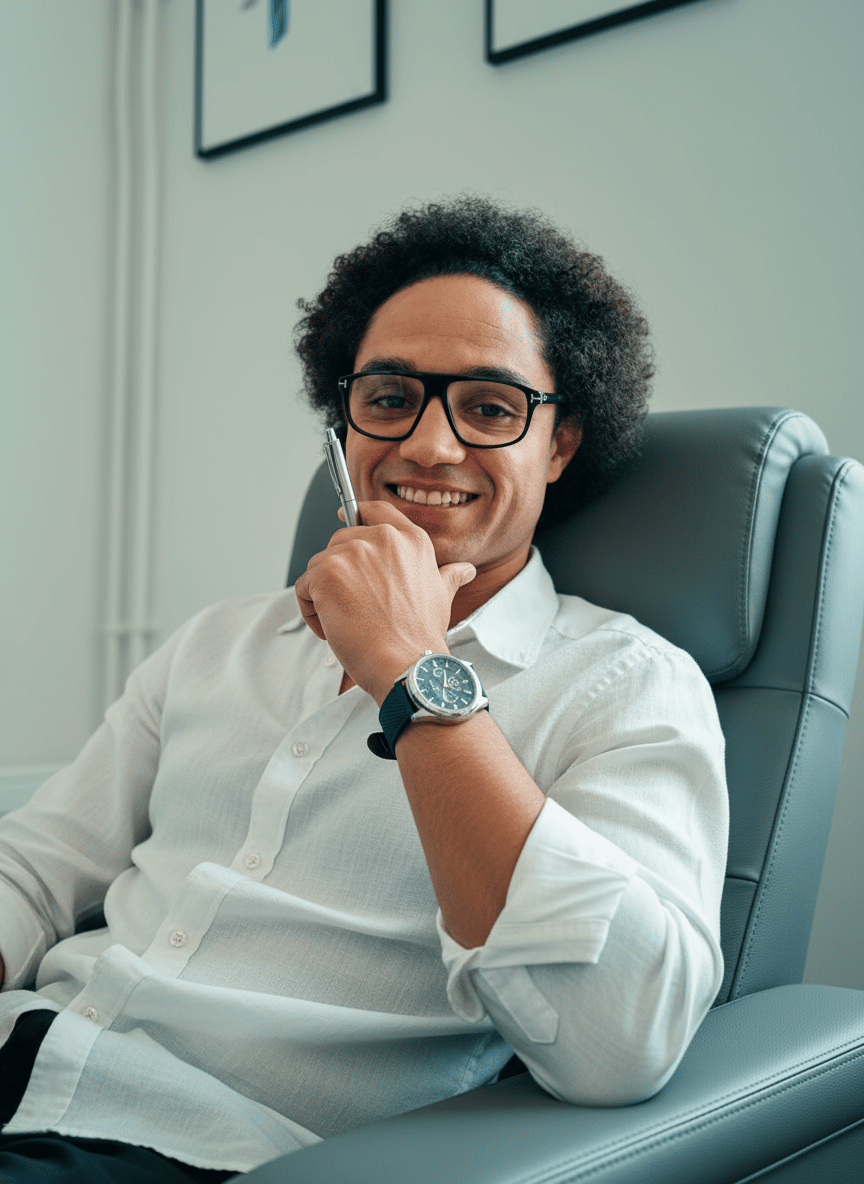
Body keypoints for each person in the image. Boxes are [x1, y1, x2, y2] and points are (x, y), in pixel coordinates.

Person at [0, 196, 728, 1181]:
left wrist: (407, 665)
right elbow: (35, 871)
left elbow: (622, 1038)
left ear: (558, 443)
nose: (429, 445)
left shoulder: (625, 685)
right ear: (344, 421)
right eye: (390, 398)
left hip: (183, 1147)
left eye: (490, 406)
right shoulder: (220, 639)